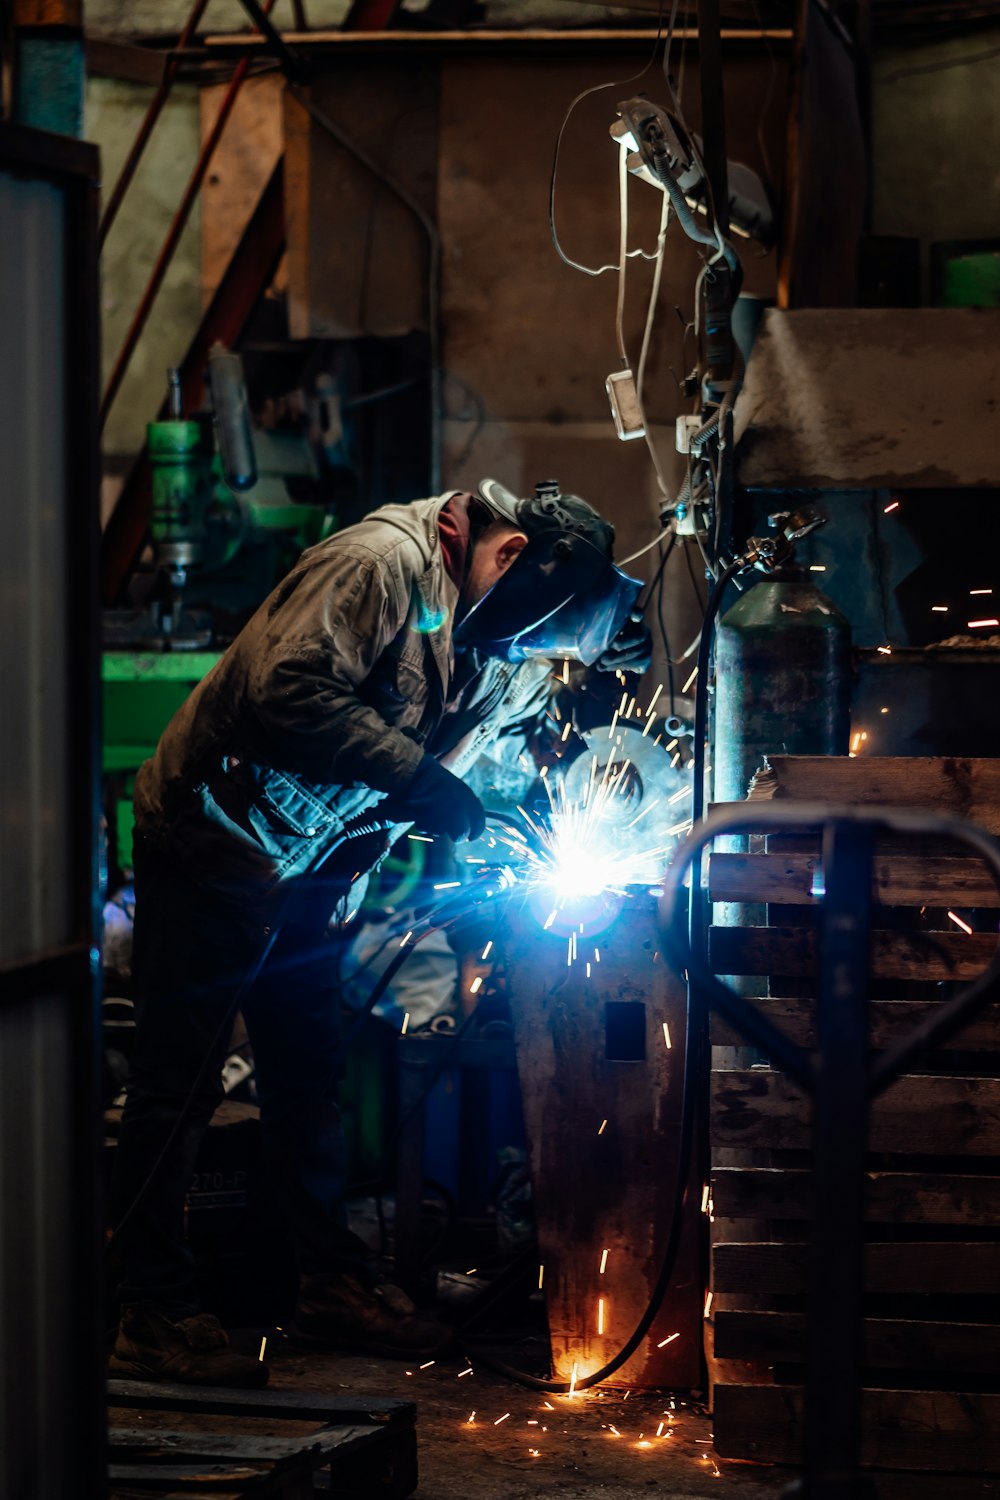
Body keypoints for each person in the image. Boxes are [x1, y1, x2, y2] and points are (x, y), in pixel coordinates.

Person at [109, 478, 651, 1388]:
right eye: (522, 637)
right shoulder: (376, 567)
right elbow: (288, 691)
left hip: (314, 863)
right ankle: (152, 1309)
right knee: (181, 1083)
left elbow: (499, 740)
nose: (515, 652)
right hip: (217, 837)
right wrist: (423, 783)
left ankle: (324, 1282)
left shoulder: (489, 614)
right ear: (509, 554)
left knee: (308, 1075)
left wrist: (568, 792)